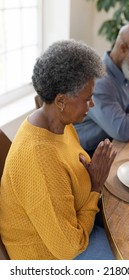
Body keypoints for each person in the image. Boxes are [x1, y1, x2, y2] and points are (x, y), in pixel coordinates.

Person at [0, 40, 117, 260]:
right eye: (87, 99)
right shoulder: (39, 158)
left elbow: (70, 174)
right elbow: (69, 248)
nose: (91, 106)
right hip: (47, 257)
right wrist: (95, 187)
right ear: (61, 100)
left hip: (75, 222)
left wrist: (91, 179)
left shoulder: (61, 126)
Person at [74, 22, 129, 154]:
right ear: (123, 48)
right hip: (87, 154)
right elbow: (122, 129)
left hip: (114, 144)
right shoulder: (98, 82)